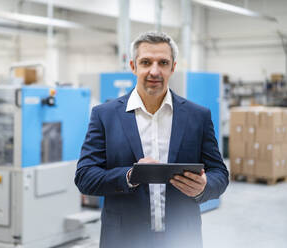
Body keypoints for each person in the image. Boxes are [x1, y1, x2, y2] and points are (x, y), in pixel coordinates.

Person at [75, 31, 229, 248]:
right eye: (146, 62)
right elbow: (84, 176)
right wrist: (130, 175)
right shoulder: (105, 115)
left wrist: (204, 187)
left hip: (182, 238)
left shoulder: (197, 116)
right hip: (124, 238)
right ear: (133, 66)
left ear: (173, 67)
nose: (154, 71)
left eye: (163, 62)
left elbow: (220, 174)